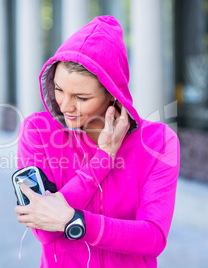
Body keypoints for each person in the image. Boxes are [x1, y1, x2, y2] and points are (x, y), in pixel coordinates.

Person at [14, 15, 180, 268]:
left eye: (81, 97)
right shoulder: (38, 132)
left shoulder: (158, 142)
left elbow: (153, 238)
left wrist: (73, 221)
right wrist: (102, 159)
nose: (65, 105)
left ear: (112, 94)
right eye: (59, 89)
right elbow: (45, 233)